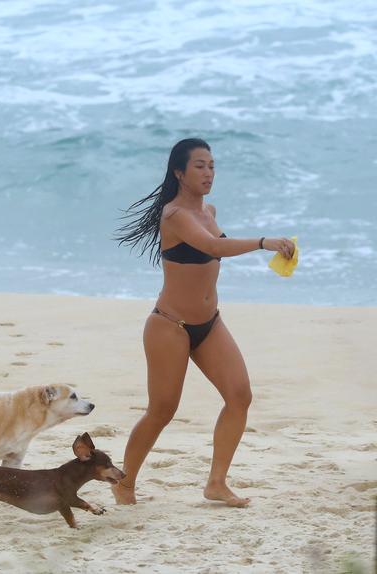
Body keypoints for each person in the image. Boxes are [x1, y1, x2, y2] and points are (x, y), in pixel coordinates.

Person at [113, 138, 294, 507]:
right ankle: (124, 483)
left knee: (239, 395)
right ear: (179, 172)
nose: (208, 173)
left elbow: (214, 246)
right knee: (162, 410)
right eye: (199, 166)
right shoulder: (174, 215)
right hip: (170, 326)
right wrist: (263, 242)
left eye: (212, 165)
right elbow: (213, 248)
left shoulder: (208, 211)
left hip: (210, 324)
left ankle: (216, 483)